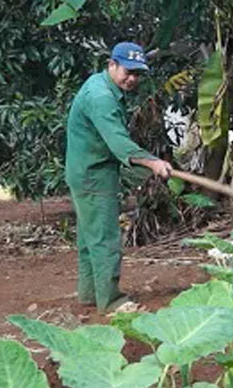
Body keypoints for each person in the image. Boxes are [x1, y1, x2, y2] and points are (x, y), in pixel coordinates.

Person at [65, 42, 173, 313]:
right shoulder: (101, 98)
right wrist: (153, 162)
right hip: (93, 175)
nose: (132, 79)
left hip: (85, 171)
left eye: (137, 74)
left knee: (90, 238)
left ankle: (90, 295)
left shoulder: (99, 85)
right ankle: (111, 301)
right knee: (104, 239)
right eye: (128, 71)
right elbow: (118, 142)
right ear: (111, 64)